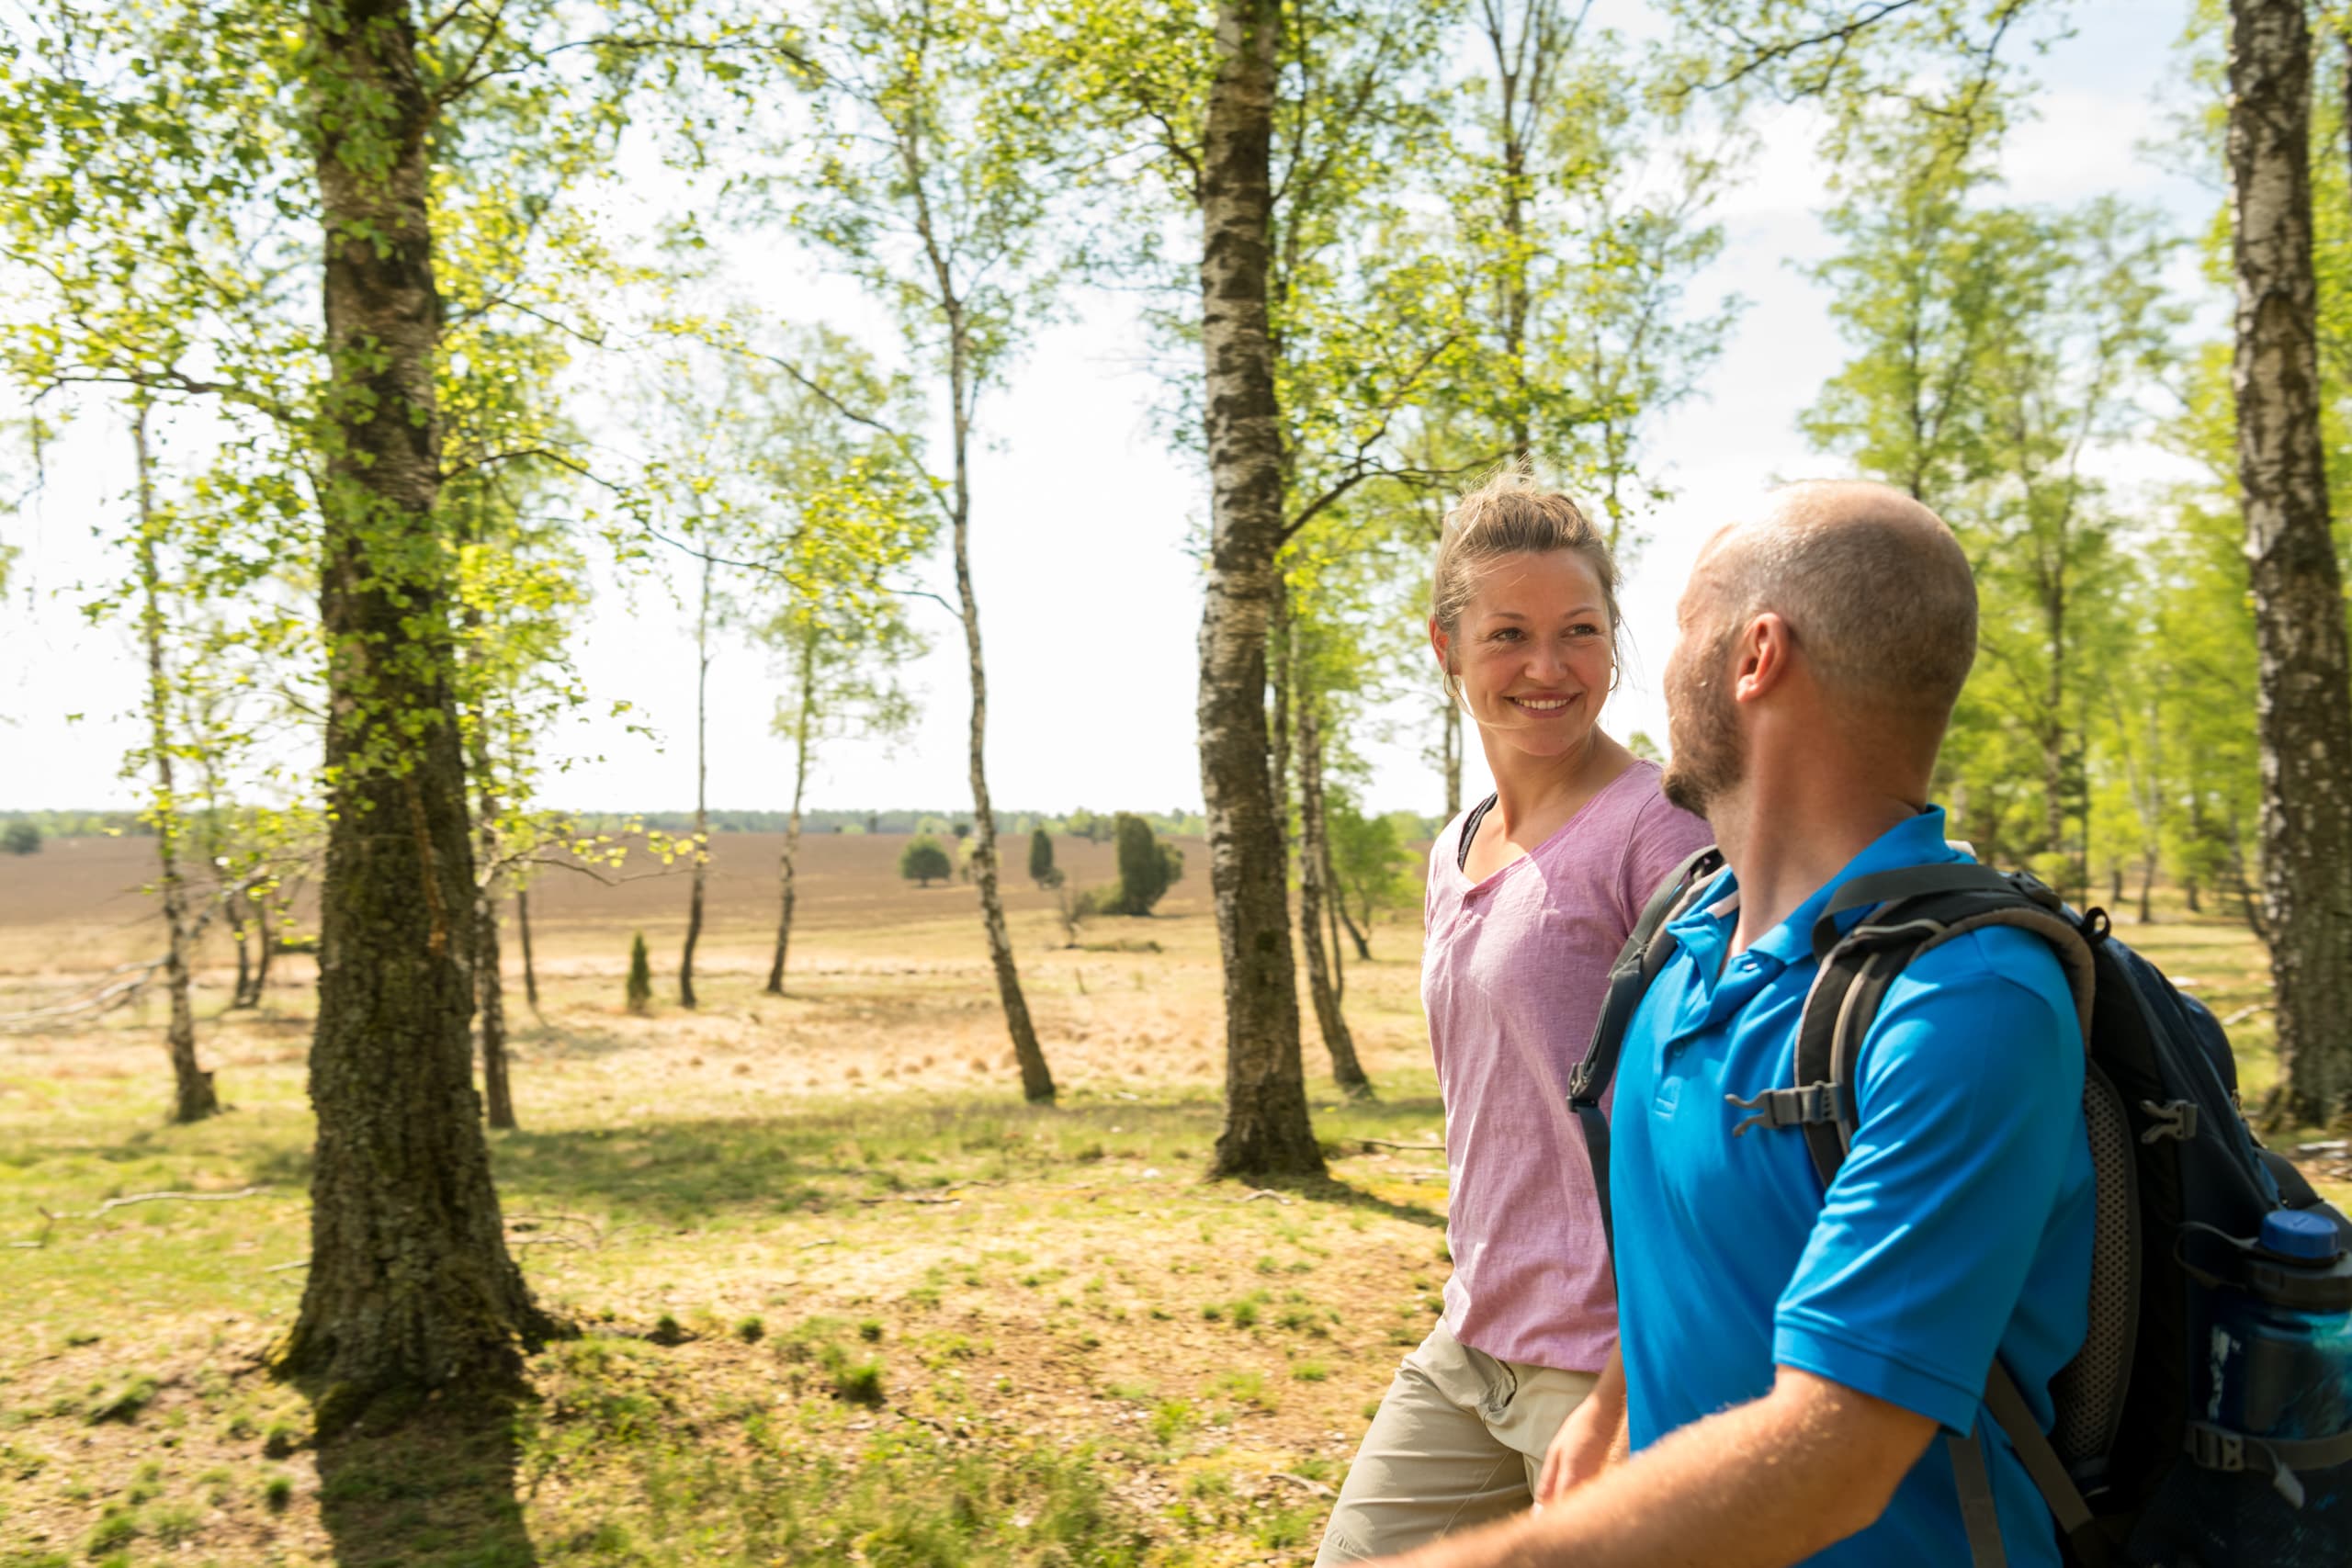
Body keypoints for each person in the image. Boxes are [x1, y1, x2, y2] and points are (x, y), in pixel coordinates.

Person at [1368, 479, 2096, 1568]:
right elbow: (1693, 1249)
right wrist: (1619, 1403)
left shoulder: (1968, 1011)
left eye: (1679, 627)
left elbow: (1838, 1456)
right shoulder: (1681, 947)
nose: (1653, 670)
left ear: (1753, 656)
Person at [1314, 470, 1713, 1564]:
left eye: (1579, 630)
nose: (1548, 667)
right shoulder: (1453, 847)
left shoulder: (1661, 837)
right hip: (1471, 1339)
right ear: (1444, 648)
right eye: (1508, 634)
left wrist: (1632, 1390)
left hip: (1606, 1365)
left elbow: (1705, 1129)